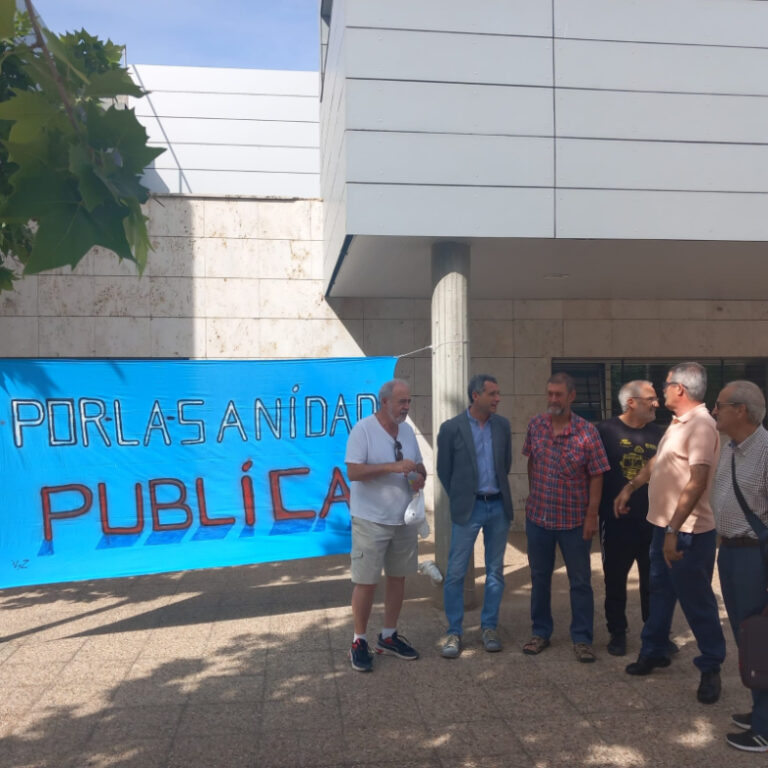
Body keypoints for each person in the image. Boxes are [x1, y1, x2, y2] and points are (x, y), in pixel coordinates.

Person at [615, 362, 726, 705]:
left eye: (665, 385)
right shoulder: (678, 422)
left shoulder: (702, 425)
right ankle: (654, 650)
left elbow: (697, 482)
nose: (662, 390)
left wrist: (674, 530)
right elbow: (658, 462)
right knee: (660, 593)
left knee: (697, 602)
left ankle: (711, 667)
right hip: (664, 527)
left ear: (680, 388)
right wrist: (630, 487)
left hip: (688, 533)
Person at [522, 372, 610, 663]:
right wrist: (534, 496)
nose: (553, 399)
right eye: (550, 393)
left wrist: (591, 515)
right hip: (539, 519)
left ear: (571, 396)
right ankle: (540, 632)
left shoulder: (587, 432)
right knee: (539, 578)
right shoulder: (536, 425)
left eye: (558, 394)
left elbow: (597, 475)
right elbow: (532, 462)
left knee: (580, 581)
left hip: (574, 522)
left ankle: (582, 638)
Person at [344, 378, 427, 672]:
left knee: (398, 577)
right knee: (366, 581)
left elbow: (419, 466)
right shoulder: (363, 430)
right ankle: (359, 641)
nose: (406, 407)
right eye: (402, 402)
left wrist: (419, 476)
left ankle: (388, 636)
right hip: (370, 520)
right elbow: (353, 472)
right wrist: (392, 467)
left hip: (403, 518)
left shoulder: (407, 431)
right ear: (384, 402)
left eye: (409, 402)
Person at [436, 374, 513, 658]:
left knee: (495, 571)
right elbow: (444, 470)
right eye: (492, 394)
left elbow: (505, 464)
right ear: (475, 396)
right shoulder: (451, 428)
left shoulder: (502, 426)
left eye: (498, 393)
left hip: (498, 507)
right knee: (456, 572)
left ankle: (489, 627)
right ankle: (454, 631)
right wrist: (462, 496)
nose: (497, 399)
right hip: (469, 508)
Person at [711, 380, 768, 752]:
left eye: (719, 404)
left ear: (740, 410)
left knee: (761, 639)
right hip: (731, 553)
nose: (713, 411)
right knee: (748, 638)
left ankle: (764, 729)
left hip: (754, 557)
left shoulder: (766, 451)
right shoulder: (732, 447)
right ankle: (761, 710)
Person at [597, 380, 663, 656]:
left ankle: (654, 633)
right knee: (615, 582)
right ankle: (617, 632)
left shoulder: (660, 434)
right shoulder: (604, 431)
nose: (656, 403)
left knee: (653, 582)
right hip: (615, 523)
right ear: (631, 402)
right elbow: (593, 474)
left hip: (652, 522)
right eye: (651, 398)